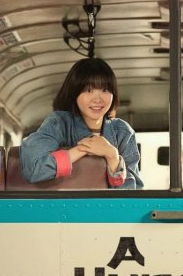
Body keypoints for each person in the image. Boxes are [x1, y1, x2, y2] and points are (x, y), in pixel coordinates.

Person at [20, 57, 143, 189]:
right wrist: (81, 149)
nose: (98, 99)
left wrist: (112, 155)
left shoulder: (123, 131)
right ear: (74, 93)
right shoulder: (59, 124)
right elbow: (34, 168)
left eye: (105, 90)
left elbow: (133, 192)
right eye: (89, 90)